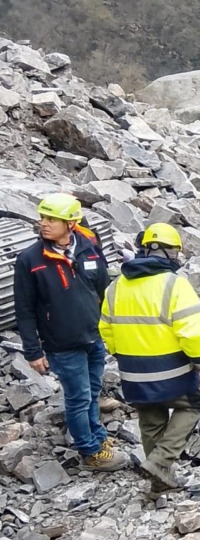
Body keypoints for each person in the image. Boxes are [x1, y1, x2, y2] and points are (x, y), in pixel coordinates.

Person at [13, 194, 129, 471]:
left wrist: (108, 329)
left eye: (52, 219)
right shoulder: (31, 260)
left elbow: (102, 290)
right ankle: (90, 453)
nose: (44, 223)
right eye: (42, 217)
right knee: (78, 397)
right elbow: (25, 309)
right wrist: (33, 351)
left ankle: (98, 437)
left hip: (93, 336)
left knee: (92, 393)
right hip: (62, 343)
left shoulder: (88, 248)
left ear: (71, 223)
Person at [99, 223, 200, 491]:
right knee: (193, 404)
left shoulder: (116, 286)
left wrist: (123, 355)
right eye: (174, 252)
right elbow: (192, 333)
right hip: (171, 370)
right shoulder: (174, 285)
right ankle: (161, 461)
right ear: (166, 252)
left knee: (151, 419)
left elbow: (105, 328)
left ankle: (160, 483)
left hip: (132, 371)